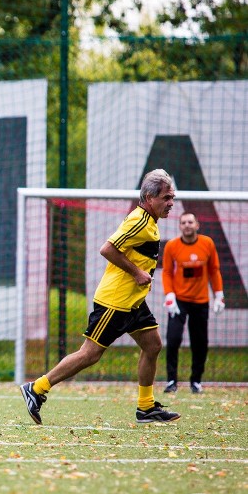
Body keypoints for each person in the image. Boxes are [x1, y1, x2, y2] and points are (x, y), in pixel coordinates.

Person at [20, 169, 181, 425]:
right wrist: (137, 272)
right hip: (115, 302)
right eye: (166, 197)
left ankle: (146, 406)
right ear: (150, 198)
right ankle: (37, 388)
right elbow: (107, 249)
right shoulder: (138, 221)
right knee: (90, 354)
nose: (171, 203)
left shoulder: (149, 222)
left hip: (133, 302)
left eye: (172, 197)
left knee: (152, 345)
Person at [161, 212, 225, 394]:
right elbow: (166, 272)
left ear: (197, 224)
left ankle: (196, 381)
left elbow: (214, 270)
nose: (187, 225)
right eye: (183, 222)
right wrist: (169, 295)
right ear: (179, 226)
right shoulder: (172, 246)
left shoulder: (207, 243)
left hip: (200, 301)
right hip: (179, 301)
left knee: (200, 342)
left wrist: (219, 294)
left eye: (190, 222)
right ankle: (171, 380)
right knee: (173, 340)